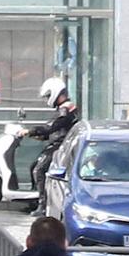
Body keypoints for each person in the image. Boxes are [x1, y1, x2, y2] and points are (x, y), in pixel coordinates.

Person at [22, 77, 79, 217]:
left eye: (48, 95)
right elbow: (57, 128)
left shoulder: (66, 108)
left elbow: (53, 126)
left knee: (39, 170)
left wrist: (30, 131)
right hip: (60, 144)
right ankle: (36, 200)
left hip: (61, 147)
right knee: (34, 166)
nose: (48, 99)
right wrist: (40, 135)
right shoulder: (64, 108)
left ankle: (42, 206)